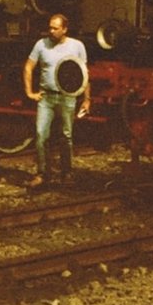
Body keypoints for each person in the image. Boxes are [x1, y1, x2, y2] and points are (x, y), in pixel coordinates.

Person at [23, 13, 89, 188]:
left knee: (66, 136)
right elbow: (28, 67)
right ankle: (42, 174)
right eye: (50, 27)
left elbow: (84, 75)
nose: (50, 31)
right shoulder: (41, 45)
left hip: (67, 97)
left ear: (64, 29)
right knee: (40, 135)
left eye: (55, 28)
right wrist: (29, 92)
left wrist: (87, 99)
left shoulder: (77, 46)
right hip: (46, 97)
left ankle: (67, 172)